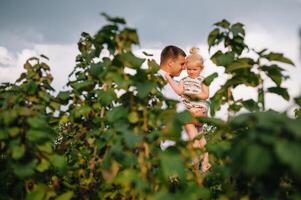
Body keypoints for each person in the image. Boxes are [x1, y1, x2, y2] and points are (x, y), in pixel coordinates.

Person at [164, 47, 211, 172]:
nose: (191, 72)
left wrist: (192, 96)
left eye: (194, 69)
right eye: (188, 69)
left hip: (198, 108)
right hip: (195, 111)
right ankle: (205, 162)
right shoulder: (184, 81)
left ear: (201, 69)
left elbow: (206, 95)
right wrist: (168, 78)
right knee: (201, 135)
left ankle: (197, 155)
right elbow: (179, 91)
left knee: (189, 127)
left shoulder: (203, 80)